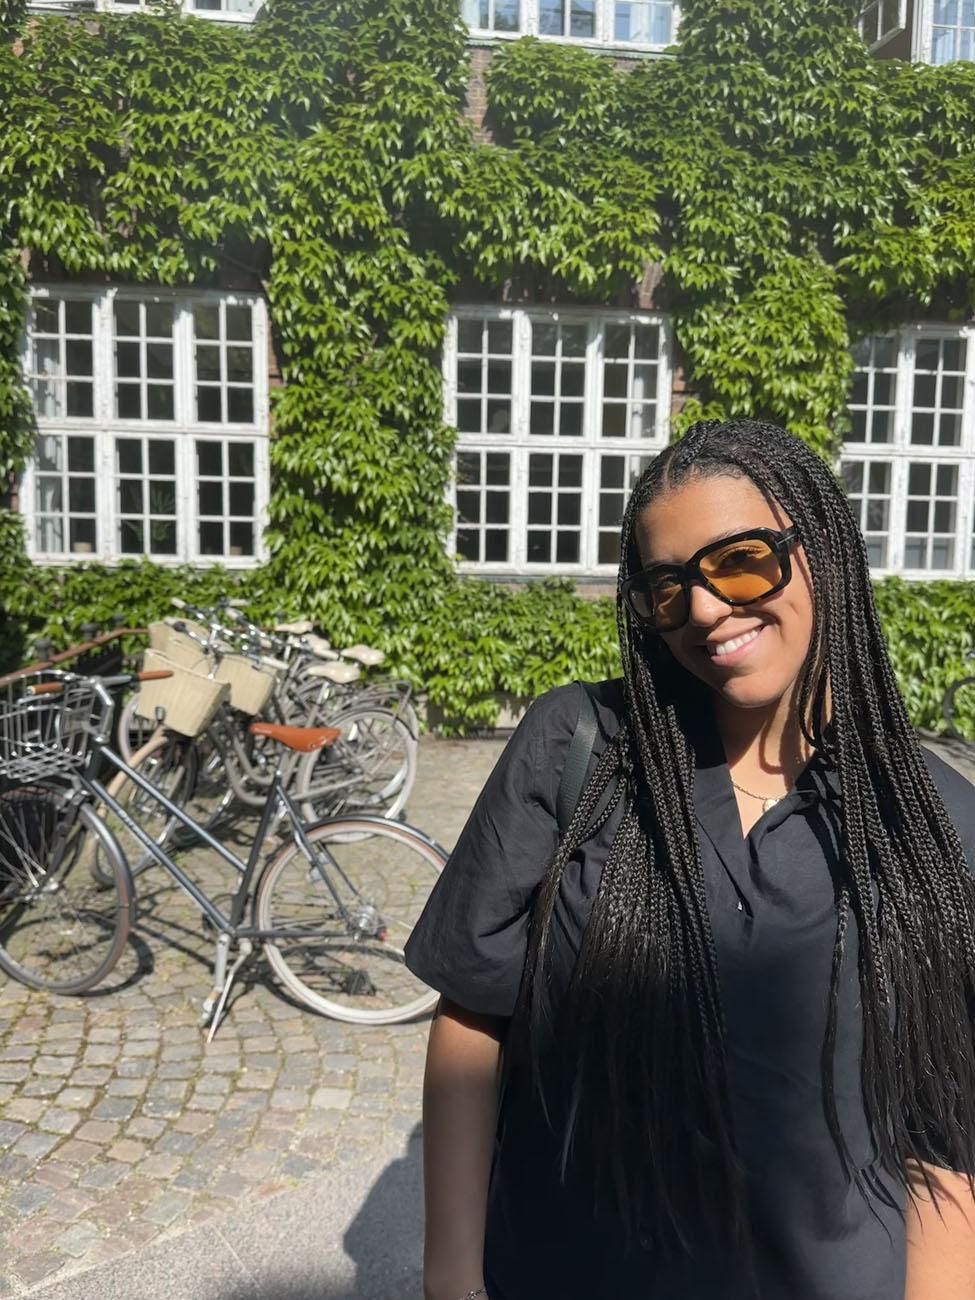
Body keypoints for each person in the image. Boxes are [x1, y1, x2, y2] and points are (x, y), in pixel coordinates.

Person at [405, 418, 975, 1300]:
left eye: (740, 562)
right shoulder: (580, 750)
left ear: (820, 547)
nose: (704, 610)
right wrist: (451, 1279)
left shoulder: (936, 824)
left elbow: (944, 1138)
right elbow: (475, 1015)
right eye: (666, 588)